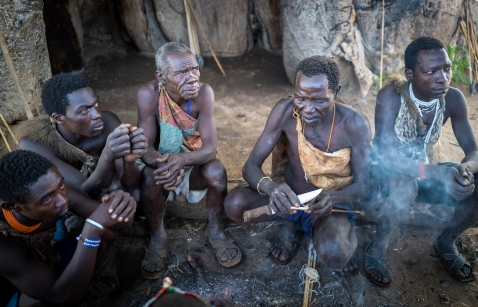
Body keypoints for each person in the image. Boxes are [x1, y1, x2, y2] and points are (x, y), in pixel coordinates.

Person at [366, 36, 478, 287]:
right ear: (410, 74)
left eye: (447, 69)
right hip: (387, 176)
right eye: (431, 71)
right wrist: (434, 173)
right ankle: (377, 246)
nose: (443, 78)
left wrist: (465, 171)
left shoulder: (453, 99)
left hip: (428, 174)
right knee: (405, 186)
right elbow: (385, 157)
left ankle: (446, 240)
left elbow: (475, 153)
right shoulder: (390, 97)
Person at [224, 56, 371, 274]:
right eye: (301, 98)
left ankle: (338, 232)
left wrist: (335, 198)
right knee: (234, 205)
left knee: (335, 253)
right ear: (294, 91)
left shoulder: (354, 124)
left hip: (329, 206)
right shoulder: (284, 111)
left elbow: (365, 185)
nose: (308, 109)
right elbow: (250, 166)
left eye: (320, 100)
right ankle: (290, 222)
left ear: (336, 92)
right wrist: (271, 188)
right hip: (289, 197)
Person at [136, 42, 241, 279]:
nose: (192, 78)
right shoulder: (148, 95)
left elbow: (210, 148)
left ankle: (215, 231)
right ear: (161, 76)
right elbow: (146, 148)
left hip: (192, 163)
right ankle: (158, 236)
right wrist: (167, 165)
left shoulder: (204, 93)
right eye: (182, 72)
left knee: (216, 172)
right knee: (149, 178)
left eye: (194, 69)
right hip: (163, 164)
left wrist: (182, 160)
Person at [0, 150, 137, 306]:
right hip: (18, 293)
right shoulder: (4, 246)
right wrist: (90, 231)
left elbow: (120, 223)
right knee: (41, 302)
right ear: (13, 207)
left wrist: (120, 204)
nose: (63, 200)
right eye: (46, 199)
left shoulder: (56, 194)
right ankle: (76, 286)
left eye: (62, 185)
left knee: (105, 231)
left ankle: (81, 285)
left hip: (49, 259)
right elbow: (62, 298)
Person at [18, 73, 147, 200]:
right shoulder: (35, 145)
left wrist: (129, 160)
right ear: (59, 118)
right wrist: (107, 155)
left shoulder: (108, 122)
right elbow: (86, 193)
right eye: (84, 110)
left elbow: (131, 186)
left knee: (136, 189)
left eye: (96, 104)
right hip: (72, 203)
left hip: (106, 188)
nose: (97, 114)